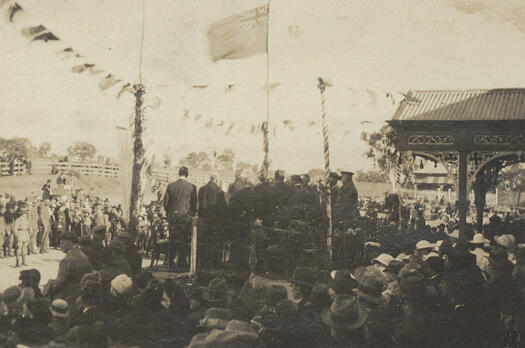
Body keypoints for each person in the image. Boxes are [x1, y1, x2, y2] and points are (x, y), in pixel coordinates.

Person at [163, 166, 197, 268]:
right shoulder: (191, 187)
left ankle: (170, 262)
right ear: (187, 174)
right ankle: (181, 263)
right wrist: (191, 214)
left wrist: (170, 212)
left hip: (173, 218)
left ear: (179, 173)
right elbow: (194, 204)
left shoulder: (171, 186)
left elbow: (165, 203)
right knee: (183, 240)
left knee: (172, 240)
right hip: (185, 218)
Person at [198, 173, 224, 268]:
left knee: (204, 242)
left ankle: (202, 262)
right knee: (215, 242)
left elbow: (200, 207)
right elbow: (222, 209)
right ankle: (215, 263)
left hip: (203, 221)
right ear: (216, 180)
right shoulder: (219, 191)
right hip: (215, 222)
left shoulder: (202, 189)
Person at [13, 203, 30, 267]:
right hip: (20, 233)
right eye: (24, 213)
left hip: (25, 233)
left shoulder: (26, 220)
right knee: (18, 248)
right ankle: (17, 263)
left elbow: (27, 228)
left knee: (24, 249)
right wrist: (16, 236)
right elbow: (15, 229)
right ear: (21, 214)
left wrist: (28, 236)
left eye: (25, 213)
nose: (25, 214)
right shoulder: (17, 220)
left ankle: (23, 261)